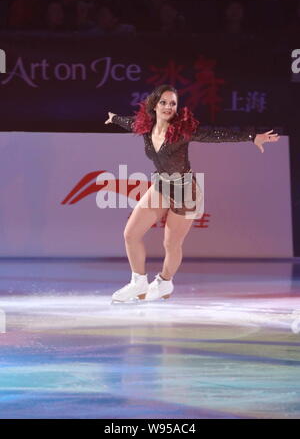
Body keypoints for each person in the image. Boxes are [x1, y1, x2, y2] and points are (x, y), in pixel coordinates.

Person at [104, 84, 280, 303]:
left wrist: (252, 136)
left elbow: (216, 134)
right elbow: (129, 122)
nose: (168, 107)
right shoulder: (145, 128)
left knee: (171, 244)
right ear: (154, 105)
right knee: (131, 234)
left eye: (173, 103)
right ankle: (138, 282)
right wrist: (114, 118)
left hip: (185, 190)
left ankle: (164, 282)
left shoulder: (183, 131)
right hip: (161, 185)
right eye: (164, 102)